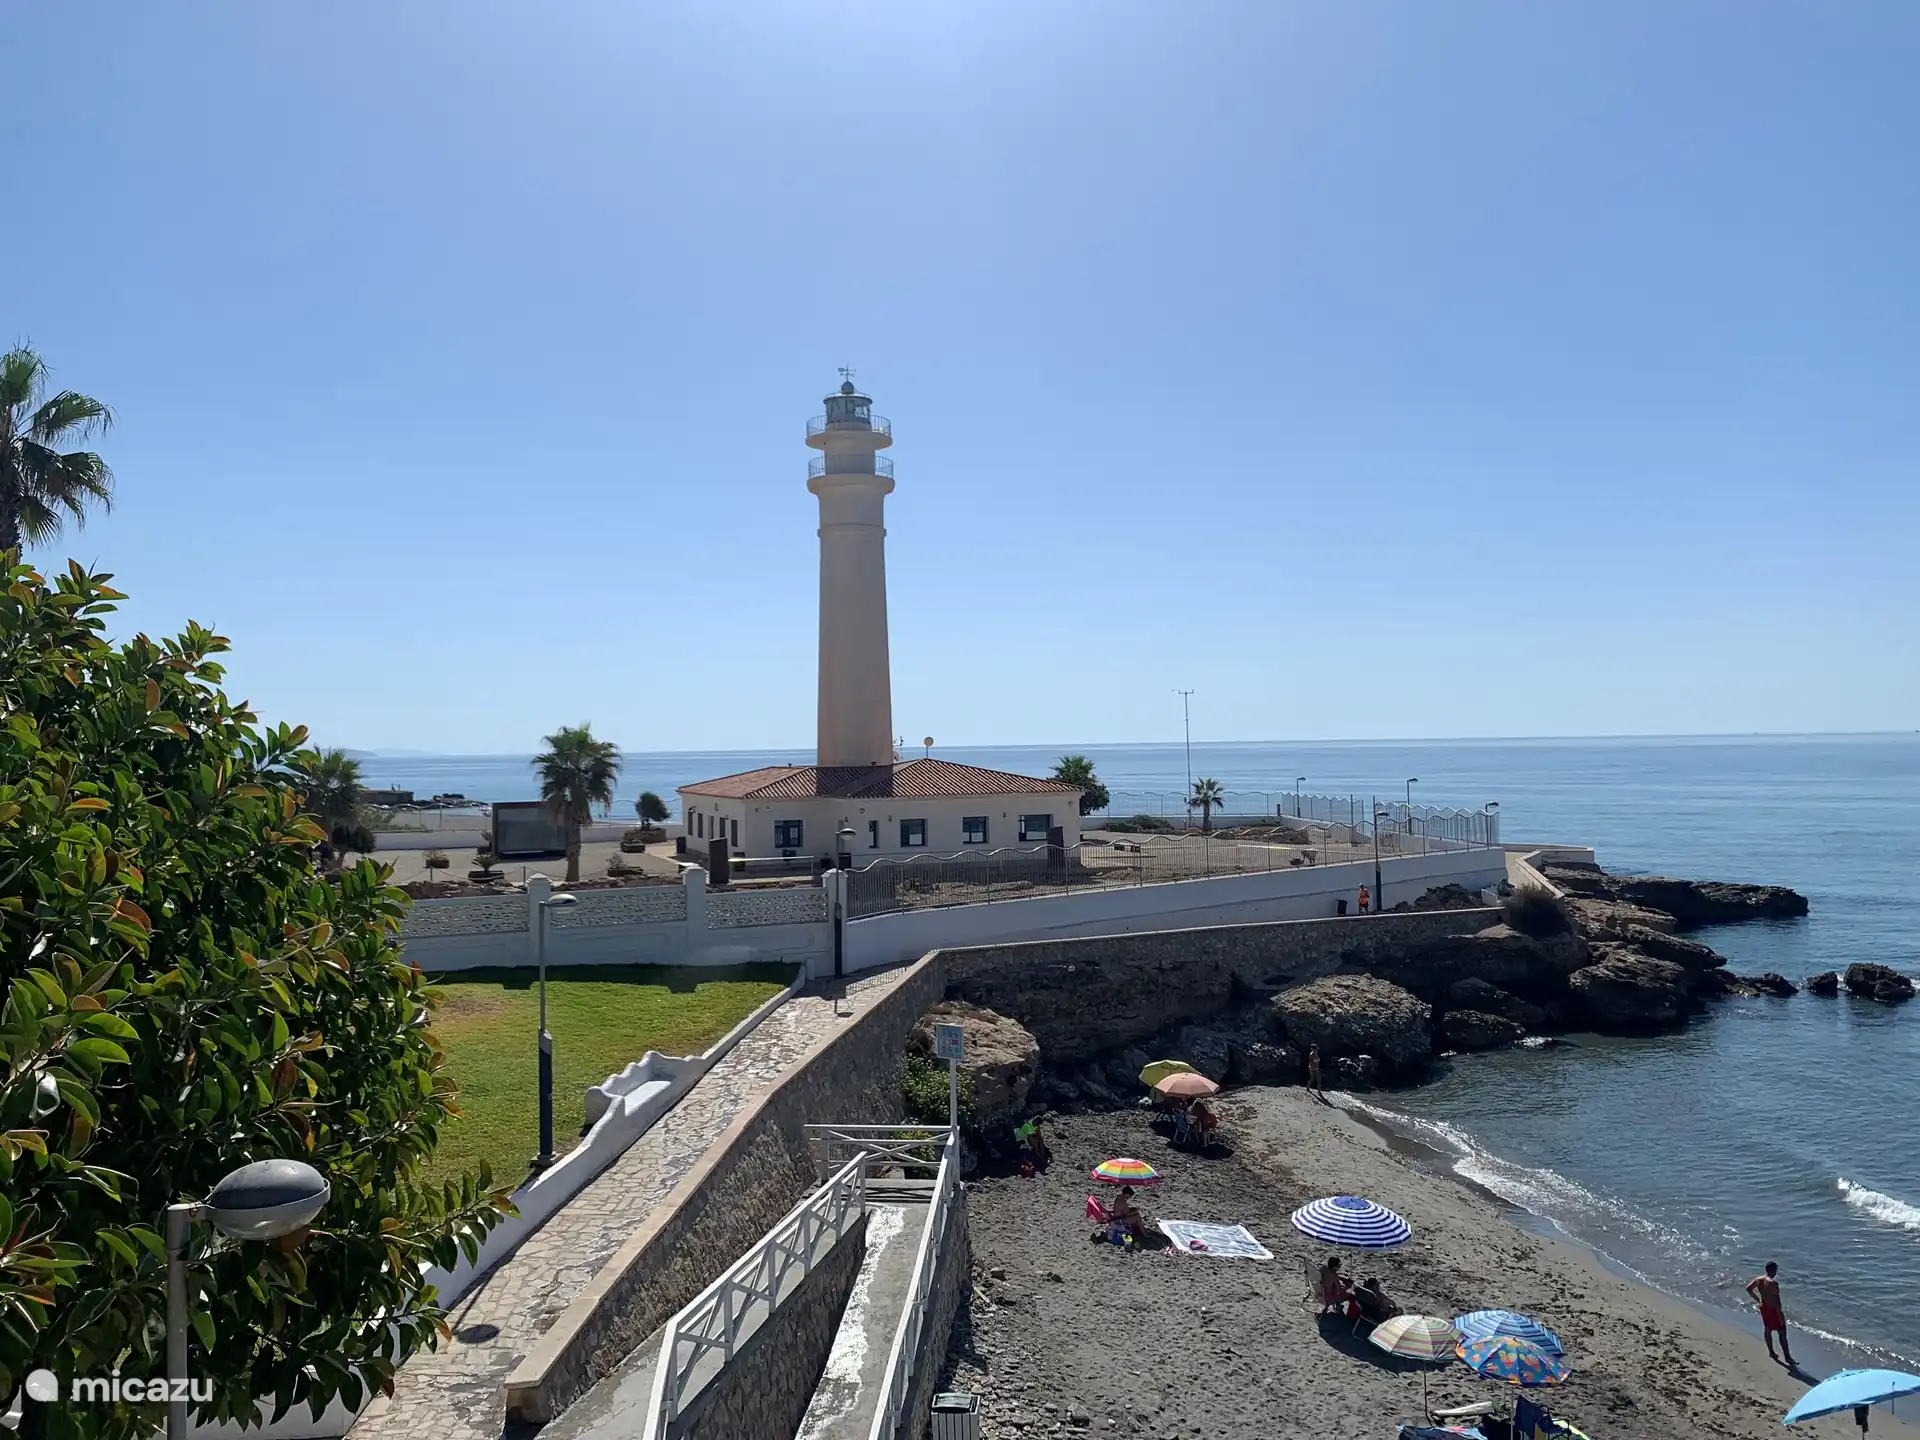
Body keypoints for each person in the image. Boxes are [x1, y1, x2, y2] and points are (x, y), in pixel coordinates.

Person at [1746, 1260, 1795, 1366]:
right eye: (1775, 1270)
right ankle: (1788, 1357)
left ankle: (1772, 1352)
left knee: (1767, 1329)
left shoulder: (1758, 1279)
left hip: (1764, 1307)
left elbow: (1748, 1288)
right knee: (1782, 1332)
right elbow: (1777, 1301)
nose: (1776, 1272)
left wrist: (1757, 1299)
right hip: (1773, 1309)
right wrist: (1780, 1316)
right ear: (1772, 1270)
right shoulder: (1773, 1283)